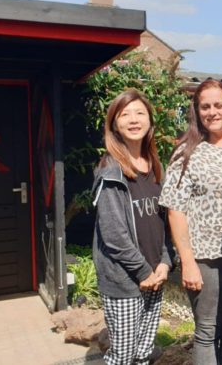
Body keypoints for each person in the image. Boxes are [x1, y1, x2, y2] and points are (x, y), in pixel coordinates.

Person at [159, 80, 222, 364]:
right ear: (197, 112)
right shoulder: (186, 153)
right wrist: (186, 261)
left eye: (218, 105)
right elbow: (175, 210)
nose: (212, 112)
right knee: (207, 330)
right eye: (205, 106)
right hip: (203, 257)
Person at [91, 89, 172, 365]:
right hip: (126, 280)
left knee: (143, 352)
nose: (134, 119)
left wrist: (164, 262)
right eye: (125, 114)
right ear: (114, 124)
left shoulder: (156, 166)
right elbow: (113, 235)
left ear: (149, 120)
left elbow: (163, 221)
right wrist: (143, 272)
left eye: (140, 113)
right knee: (122, 357)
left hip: (155, 275)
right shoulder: (110, 170)